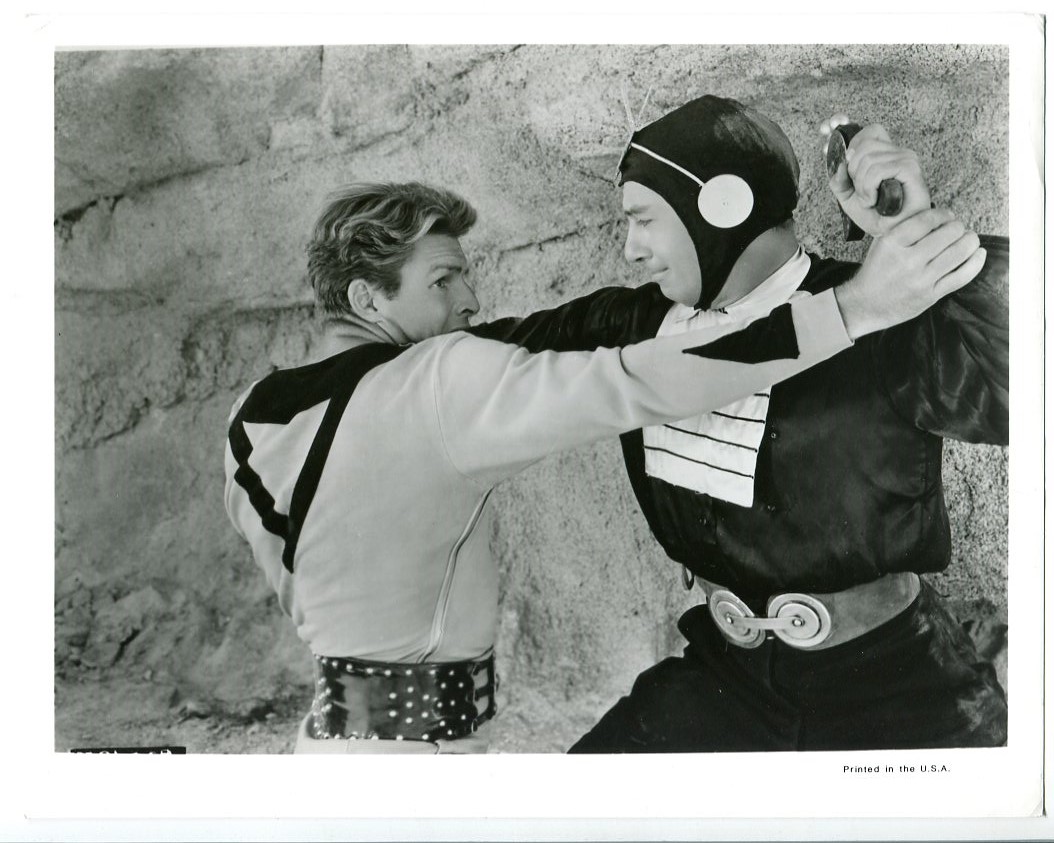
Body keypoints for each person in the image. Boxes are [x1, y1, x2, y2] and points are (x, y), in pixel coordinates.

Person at [222, 170, 977, 753]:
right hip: (424, 757)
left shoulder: (252, 416)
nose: (470, 300)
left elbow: (309, 576)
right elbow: (640, 381)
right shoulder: (437, 380)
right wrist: (854, 308)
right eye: (442, 280)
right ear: (366, 297)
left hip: (334, 736)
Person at [497, 95, 1009, 751]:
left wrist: (918, 226)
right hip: (724, 677)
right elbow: (484, 361)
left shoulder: (883, 310)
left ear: (722, 205)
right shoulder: (629, 324)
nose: (630, 250)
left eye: (644, 220)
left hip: (898, 682)